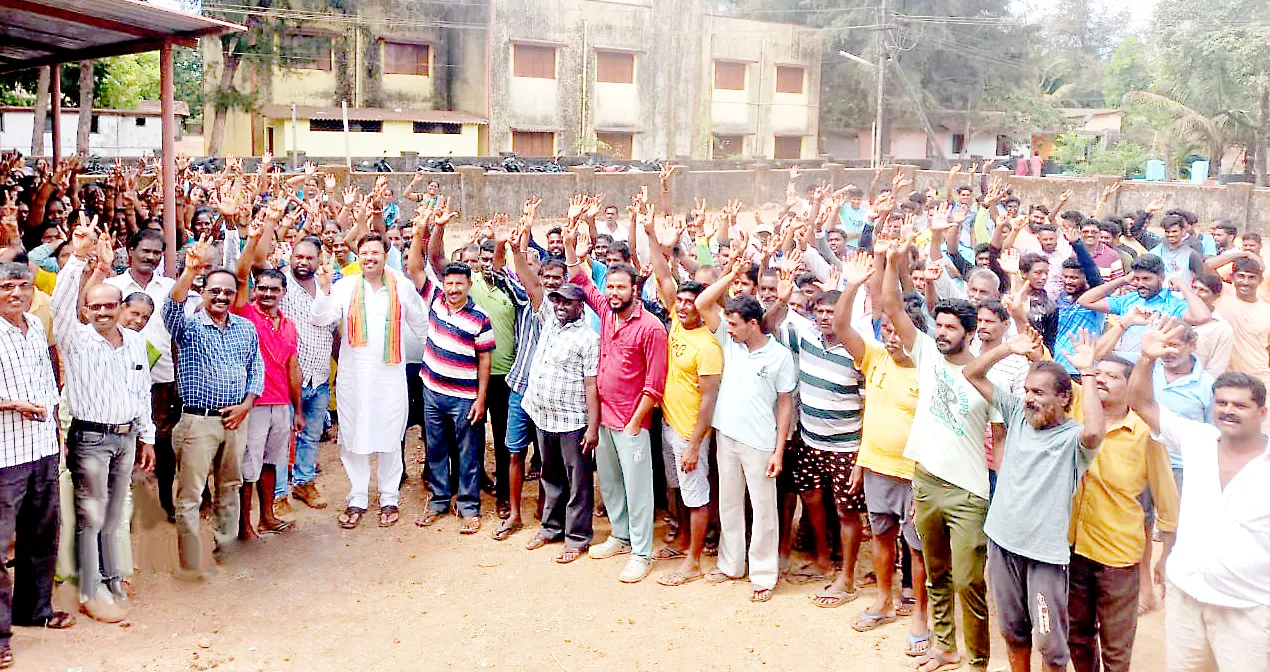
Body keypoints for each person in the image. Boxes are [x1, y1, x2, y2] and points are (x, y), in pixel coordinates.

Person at [1127, 318, 1270, 672]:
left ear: (1262, 412)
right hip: (1185, 597)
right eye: (1221, 403)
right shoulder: (1197, 440)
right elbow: (1141, 402)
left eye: (1240, 405)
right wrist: (1146, 358)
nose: (1228, 410)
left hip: (1248, 609)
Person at [878, 241, 993, 672]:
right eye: (939, 325)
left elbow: (1000, 439)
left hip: (969, 492)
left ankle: (978, 660)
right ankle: (945, 647)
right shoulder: (925, 352)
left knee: (969, 580)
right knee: (936, 573)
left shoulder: (988, 374)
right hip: (926, 482)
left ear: (970, 333)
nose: (941, 332)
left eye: (950, 328)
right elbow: (891, 305)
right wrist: (892, 262)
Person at [963, 326, 1103, 672]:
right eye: (1026, 390)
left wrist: (1087, 372)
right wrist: (1007, 348)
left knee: (1050, 643)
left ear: (1064, 398)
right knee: (1014, 633)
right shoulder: (1016, 415)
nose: (1029, 398)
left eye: (1038, 392)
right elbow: (971, 373)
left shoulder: (1072, 440)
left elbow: (1094, 431)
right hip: (1002, 542)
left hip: (1044, 555)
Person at [828, 252, 931, 652]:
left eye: (895, 329)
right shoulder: (874, 358)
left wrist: (926, 477)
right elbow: (840, 327)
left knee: (918, 549)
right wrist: (852, 284)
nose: (889, 336)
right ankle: (884, 600)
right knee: (883, 537)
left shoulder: (927, 369)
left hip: (915, 475)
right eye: (885, 328)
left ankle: (920, 615)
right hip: (876, 468)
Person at [52, 226, 155, 623]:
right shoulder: (76, 340)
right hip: (91, 438)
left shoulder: (134, 342)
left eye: (110, 305)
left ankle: (111, 581)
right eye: (95, 307)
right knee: (91, 517)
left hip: (126, 438)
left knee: (113, 515)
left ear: (120, 306)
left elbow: (141, 391)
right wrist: (79, 258)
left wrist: (147, 437)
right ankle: (90, 591)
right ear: (87, 310)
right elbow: (61, 306)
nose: (103, 312)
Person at [565, 227, 667, 584]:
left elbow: (655, 385)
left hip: (631, 422)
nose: (613, 292)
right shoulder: (608, 314)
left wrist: (635, 422)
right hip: (605, 418)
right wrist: (572, 248)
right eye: (610, 286)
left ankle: (641, 553)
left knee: (638, 490)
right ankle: (621, 536)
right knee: (610, 483)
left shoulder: (652, 328)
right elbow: (583, 281)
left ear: (634, 289)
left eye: (621, 287)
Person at [1068, 355, 1179, 672]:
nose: (1101, 379)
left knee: (1116, 645)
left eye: (1112, 376)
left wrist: (1166, 553)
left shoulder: (1145, 433)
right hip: (1072, 546)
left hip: (1117, 554)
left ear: (1130, 386)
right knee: (1077, 635)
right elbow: (1042, 364)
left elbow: (1166, 496)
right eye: (1097, 373)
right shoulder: (1078, 411)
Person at [313, 230, 428, 529]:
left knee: (390, 435)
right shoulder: (344, 286)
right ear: (358, 256)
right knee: (354, 436)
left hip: (390, 376)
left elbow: (422, 325)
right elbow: (320, 319)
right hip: (354, 377)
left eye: (375, 252)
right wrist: (323, 289)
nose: (369, 258)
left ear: (385, 255)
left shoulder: (401, 286)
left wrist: (434, 363)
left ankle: (389, 497)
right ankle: (358, 497)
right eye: (364, 253)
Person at [695, 268, 796, 603]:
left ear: (753, 324)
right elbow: (703, 302)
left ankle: (764, 575)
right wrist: (731, 273)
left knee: (764, 509)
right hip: (727, 436)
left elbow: (785, 404)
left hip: (760, 443)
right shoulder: (729, 341)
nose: (729, 328)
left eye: (735, 323)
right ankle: (730, 564)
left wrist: (778, 450)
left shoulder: (779, 356)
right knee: (729, 502)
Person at [164, 240, 264, 576]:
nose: (221, 297)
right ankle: (191, 559)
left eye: (228, 292)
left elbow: (256, 370)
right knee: (191, 493)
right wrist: (189, 271)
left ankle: (226, 547)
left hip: (236, 420)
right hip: (198, 421)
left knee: (229, 487)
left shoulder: (245, 328)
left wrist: (246, 406)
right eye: (214, 291)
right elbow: (171, 309)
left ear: (235, 295)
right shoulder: (189, 327)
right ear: (203, 292)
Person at [0, 261, 74, 666]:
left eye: (23, 286)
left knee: (41, 535)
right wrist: (11, 404)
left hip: (42, 449)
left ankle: (34, 609)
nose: (16, 293)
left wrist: (56, 439)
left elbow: (49, 384)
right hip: (4, 457)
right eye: (6, 286)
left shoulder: (33, 326)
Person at [645, 219, 722, 587]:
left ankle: (693, 561)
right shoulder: (676, 320)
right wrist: (651, 235)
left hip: (691, 432)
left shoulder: (708, 346)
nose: (685, 306)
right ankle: (680, 542)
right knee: (677, 489)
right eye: (681, 301)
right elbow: (663, 276)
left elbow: (708, 401)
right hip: (669, 424)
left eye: (692, 303)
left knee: (696, 496)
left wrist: (694, 443)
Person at [410, 215, 495, 535]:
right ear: (443, 285)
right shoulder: (435, 299)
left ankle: (469, 507)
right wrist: (419, 232)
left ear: (469, 285)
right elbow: (415, 268)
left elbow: (484, 360)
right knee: (435, 449)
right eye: (450, 283)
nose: (454, 289)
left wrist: (481, 399)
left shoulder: (480, 318)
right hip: (433, 392)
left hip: (464, 398)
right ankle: (439, 501)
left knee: (468, 453)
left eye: (460, 284)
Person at [232, 220, 303, 539]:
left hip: (281, 405)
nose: (268, 293)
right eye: (262, 288)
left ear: (283, 292)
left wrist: (297, 409)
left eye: (275, 289)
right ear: (254, 290)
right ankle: (244, 524)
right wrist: (252, 239)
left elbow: (292, 368)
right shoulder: (245, 314)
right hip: (254, 404)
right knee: (249, 465)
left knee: (273, 462)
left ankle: (267, 516)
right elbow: (240, 273)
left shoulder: (289, 325)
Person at [103, 229, 181, 520]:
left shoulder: (171, 288)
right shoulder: (113, 285)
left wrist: (178, 376)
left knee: (162, 442)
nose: (150, 256)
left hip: (162, 377)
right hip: (117, 378)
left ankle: (165, 503)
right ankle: (122, 508)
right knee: (120, 441)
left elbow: (176, 332)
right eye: (145, 250)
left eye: (156, 252)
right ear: (131, 250)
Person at [521, 283, 600, 562]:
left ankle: (577, 538)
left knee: (577, 482)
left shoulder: (589, 339)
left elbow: (591, 385)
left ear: (581, 306)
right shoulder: (549, 324)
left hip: (572, 421)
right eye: (558, 301)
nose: (560, 307)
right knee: (550, 476)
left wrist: (592, 426)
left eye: (567, 302)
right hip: (543, 417)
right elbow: (533, 289)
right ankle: (551, 528)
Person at [277, 236, 337, 510]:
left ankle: (303, 483)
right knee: (281, 439)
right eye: (298, 256)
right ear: (290, 257)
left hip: (320, 376)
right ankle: (278, 494)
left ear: (318, 260)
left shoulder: (329, 286)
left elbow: (334, 331)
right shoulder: (281, 285)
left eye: (309, 258)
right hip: (287, 378)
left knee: (311, 436)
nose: (303, 262)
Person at [1077, 254, 1209, 360]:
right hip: (1124, 366)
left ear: (1161, 277)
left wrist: (1181, 285)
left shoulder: (1173, 304)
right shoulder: (1129, 299)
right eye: (1137, 278)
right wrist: (1123, 280)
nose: (1140, 284)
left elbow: (1203, 317)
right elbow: (1085, 300)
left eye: (1146, 279)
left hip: (1154, 368)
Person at [1213, 256, 1270, 430]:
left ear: (1260, 280)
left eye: (1251, 277)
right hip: (1225, 381)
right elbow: (1207, 266)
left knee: (1261, 433)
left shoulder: (1267, 312)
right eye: (1241, 276)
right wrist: (1242, 253)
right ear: (1232, 277)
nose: (1245, 282)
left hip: (1259, 380)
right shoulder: (1222, 294)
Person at [1188, 273, 1233, 377]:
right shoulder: (1175, 316)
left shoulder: (1222, 329)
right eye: (1194, 288)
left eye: (1203, 290)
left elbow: (1216, 368)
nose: (1196, 294)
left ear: (1216, 296)